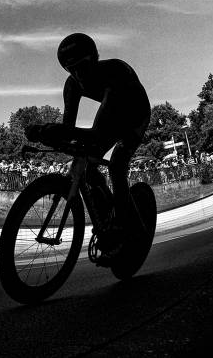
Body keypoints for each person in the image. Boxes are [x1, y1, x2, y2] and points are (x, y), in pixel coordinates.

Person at [25, 33, 151, 259]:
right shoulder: (72, 85)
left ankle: (127, 228)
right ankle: (107, 221)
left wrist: (53, 130)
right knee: (89, 167)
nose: (78, 74)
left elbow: (96, 133)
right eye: (70, 69)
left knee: (116, 167)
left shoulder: (115, 71)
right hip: (112, 118)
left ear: (95, 59)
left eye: (83, 66)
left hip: (135, 116)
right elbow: (68, 130)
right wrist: (49, 134)